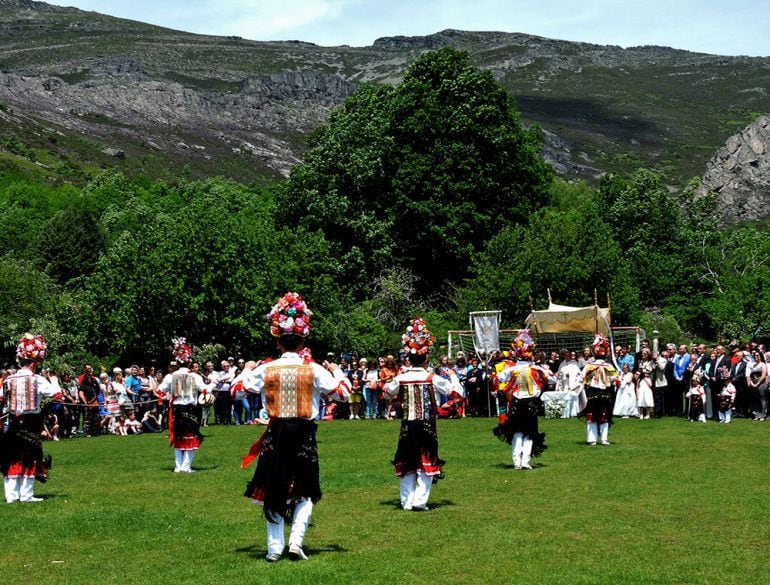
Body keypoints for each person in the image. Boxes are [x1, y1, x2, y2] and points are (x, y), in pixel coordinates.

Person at [240, 292, 351, 562]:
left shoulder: (267, 369)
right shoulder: (312, 368)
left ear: (278, 340)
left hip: (276, 432)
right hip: (303, 433)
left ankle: (273, 548)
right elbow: (343, 394)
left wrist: (246, 368)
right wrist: (337, 371)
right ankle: (296, 542)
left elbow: (239, 390)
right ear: (302, 340)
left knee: (272, 488)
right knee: (306, 488)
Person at [382, 317, 460, 511]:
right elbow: (456, 393)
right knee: (426, 460)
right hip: (426, 424)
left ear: (409, 358)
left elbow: (385, 393)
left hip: (407, 425)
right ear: (426, 358)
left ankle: (406, 501)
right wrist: (452, 376)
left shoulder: (401, 377)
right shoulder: (431, 378)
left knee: (407, 461)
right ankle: (420, 501)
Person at [1, 334, 60, 503]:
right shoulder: (37, 379)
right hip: (30, 423)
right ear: (33, 364)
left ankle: (11, 496)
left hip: (12, 423)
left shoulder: (8, 379)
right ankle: (26, 495)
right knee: (30, 457)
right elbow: (57, 394)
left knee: (11, 457)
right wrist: (54, 380)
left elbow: (1, 398)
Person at [492, 332, 551, 469]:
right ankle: (525, 461)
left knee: (517, 432)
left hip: (517, 404)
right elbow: (552, 379)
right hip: (531, 404)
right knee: (529, 433)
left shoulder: (512, 370)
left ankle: (517, 462)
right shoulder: (536, 369)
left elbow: (496, 379)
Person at [157, 338, 212, 473]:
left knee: (179, 437)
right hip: (190, 409)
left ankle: (178, 467)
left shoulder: (171, 376)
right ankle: (186, 467)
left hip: (176, 410)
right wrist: (213, 383)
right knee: (192, 436)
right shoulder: (194, 376)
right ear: (188, 363)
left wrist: (169, 394)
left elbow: (160, 389)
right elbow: (206, 389)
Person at [578, 334, 618, 445]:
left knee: (591, 416)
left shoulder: (589, 366)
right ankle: (604, 439)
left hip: (593, 393)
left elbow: (581, 378)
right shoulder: (608, 366)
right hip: (605, 394)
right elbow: (615, 378)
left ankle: (592, 440)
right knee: (604, 416)